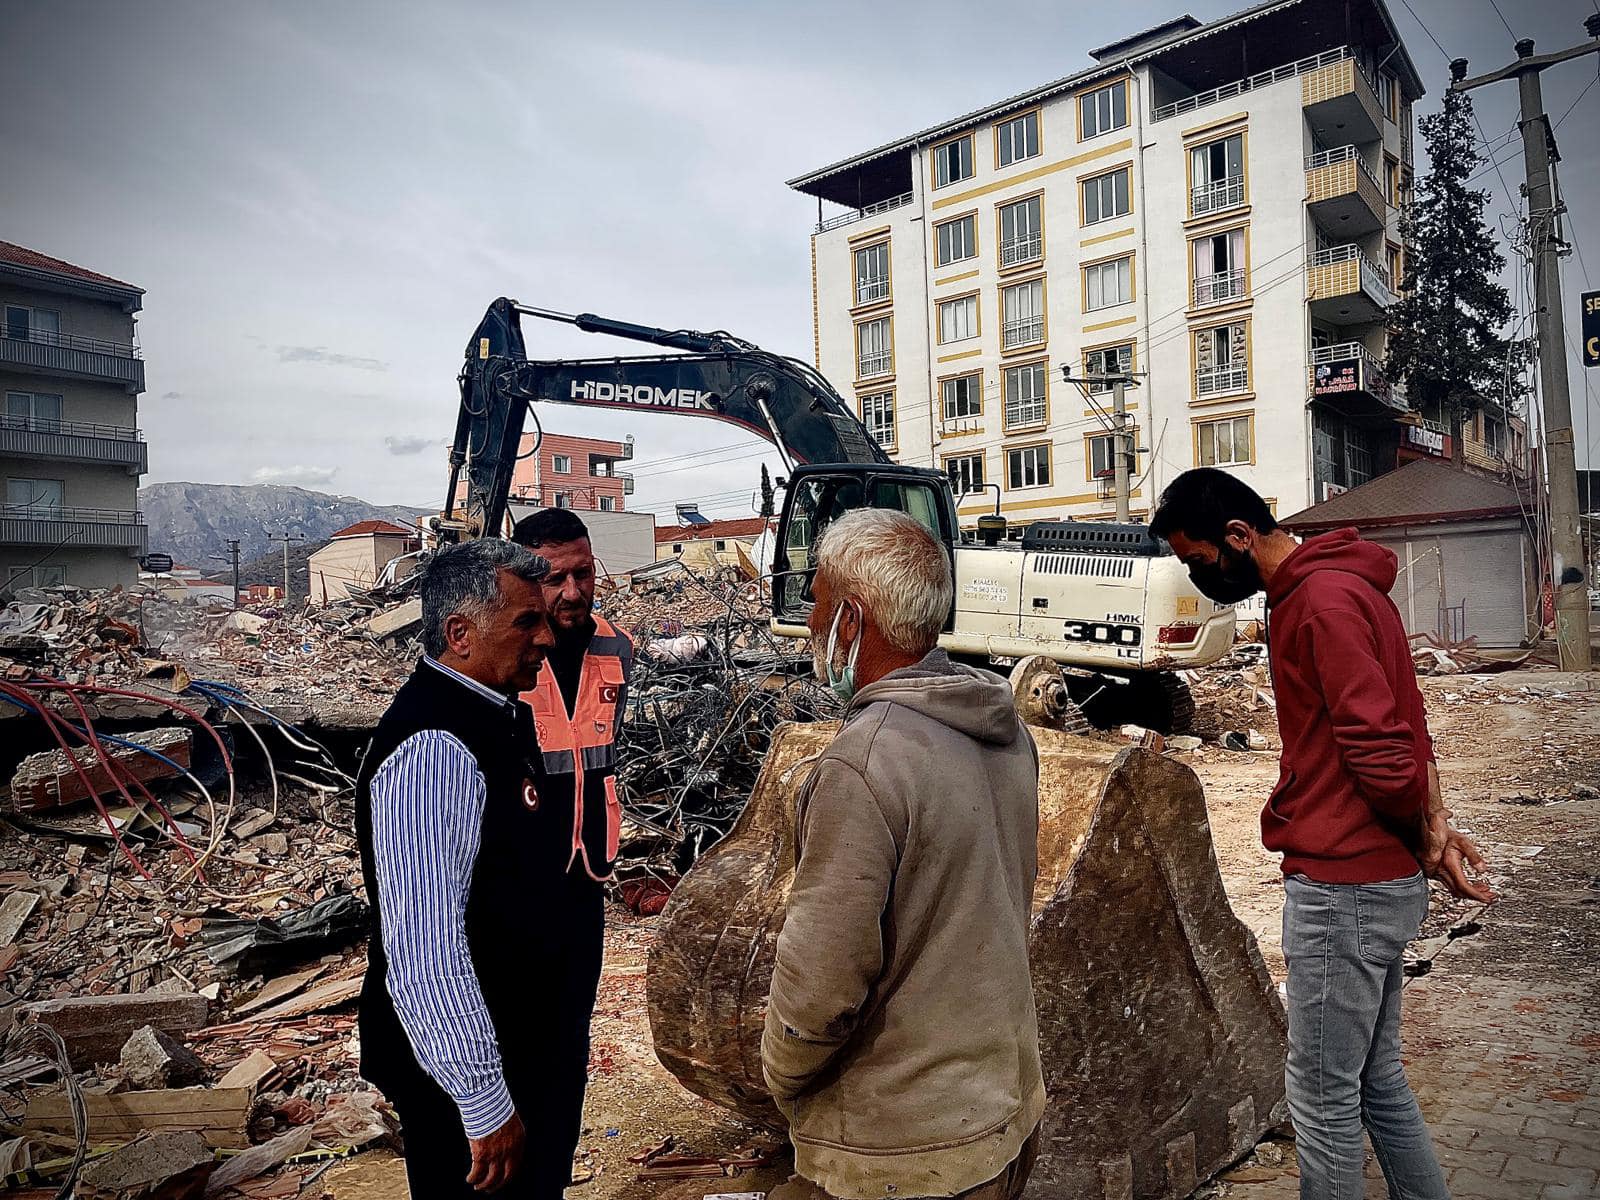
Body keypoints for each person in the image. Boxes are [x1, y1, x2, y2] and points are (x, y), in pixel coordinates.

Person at [1148, 468, 1493, 1200]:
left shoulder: (1322, 603)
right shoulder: (1338, 589)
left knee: (1323, 1100)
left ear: (1238, 536)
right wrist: (1431, 832)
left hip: (1346, 888)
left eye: (1198, 560)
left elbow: (1381, 748)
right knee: (1378, 1081)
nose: (1198, 575)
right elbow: (1407, 714)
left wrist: (1420, 823)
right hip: (1376, 877)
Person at [762, 508, 1044, 1200]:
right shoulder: (1004, 731)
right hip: (1003, 1109)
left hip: (902, 1147)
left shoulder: (861, 765)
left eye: (819, 605)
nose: (810, 625)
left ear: (851, 621)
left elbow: (821, 990)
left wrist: (781, 1072)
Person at [356, 538, 579, 1198]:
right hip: (471, 1079)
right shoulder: (434, 747)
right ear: (461, 634)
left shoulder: (492, 716)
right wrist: (482, 1100)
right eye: (526, 621)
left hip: (518, 1049)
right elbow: (425, 949)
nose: (547, 637)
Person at [510, 507, 632, 883]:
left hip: (595, 855)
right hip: (527, 860)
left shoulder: (618, 647)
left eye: (583, 573)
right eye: (555, 578)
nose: (573, 592)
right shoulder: (506, 657)